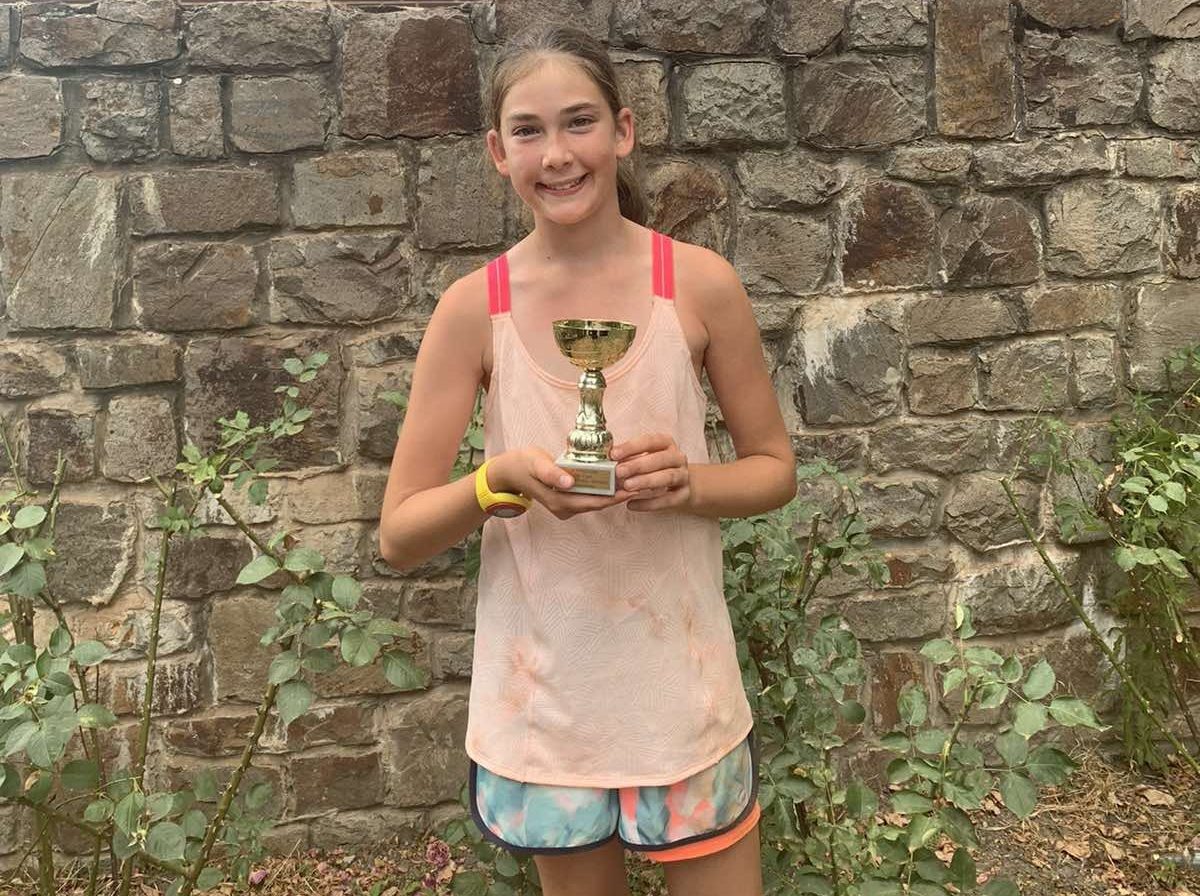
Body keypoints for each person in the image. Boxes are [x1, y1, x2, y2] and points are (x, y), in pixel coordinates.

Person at [378, 24, 795, 896]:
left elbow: (772, 469)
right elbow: (400, 532)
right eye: (528, 131)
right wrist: (492, 484)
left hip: (683, 696)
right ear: (498, 152)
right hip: (546, 713)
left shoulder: (700, 284)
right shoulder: (473, 308)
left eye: (579, 122)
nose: (558, 154)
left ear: (623, 131)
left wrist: (689, 484)